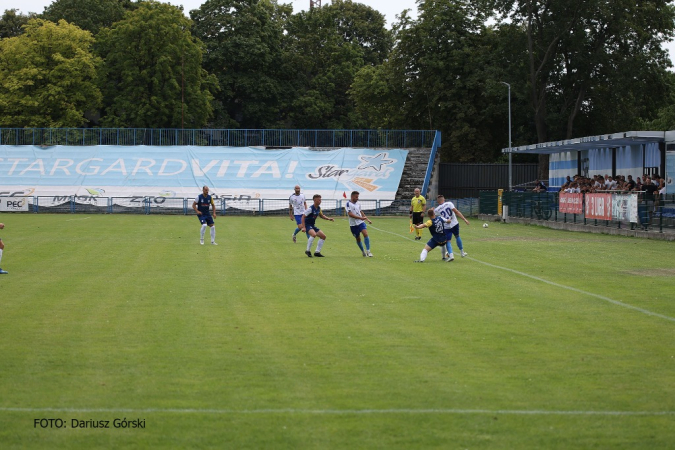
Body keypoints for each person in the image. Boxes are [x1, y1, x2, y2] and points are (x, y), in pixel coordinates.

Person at [434, 194, 470, 261]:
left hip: (446, 226)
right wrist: (464, 219)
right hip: (454, 223)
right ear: (444, 199)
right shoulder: (449, 203)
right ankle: (462, 252)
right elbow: (456, 212)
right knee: (457, 236)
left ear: (438, 202)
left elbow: (437, 219)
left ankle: (451, 256)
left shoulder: (436, 210)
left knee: (448, 241)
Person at [345, 190, 373, 257]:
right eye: (356, 197)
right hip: (353, 225)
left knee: (365, 234)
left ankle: (368, 251)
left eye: (358, 197)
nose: (357, 198)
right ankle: (363, 251)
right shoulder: (348, 204)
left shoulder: (358, 203)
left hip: (360, 222)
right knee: (358, 238)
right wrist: (360, 218)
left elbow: (360, 211)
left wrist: (367, 219)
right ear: (352, 197)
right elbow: (350, 214)